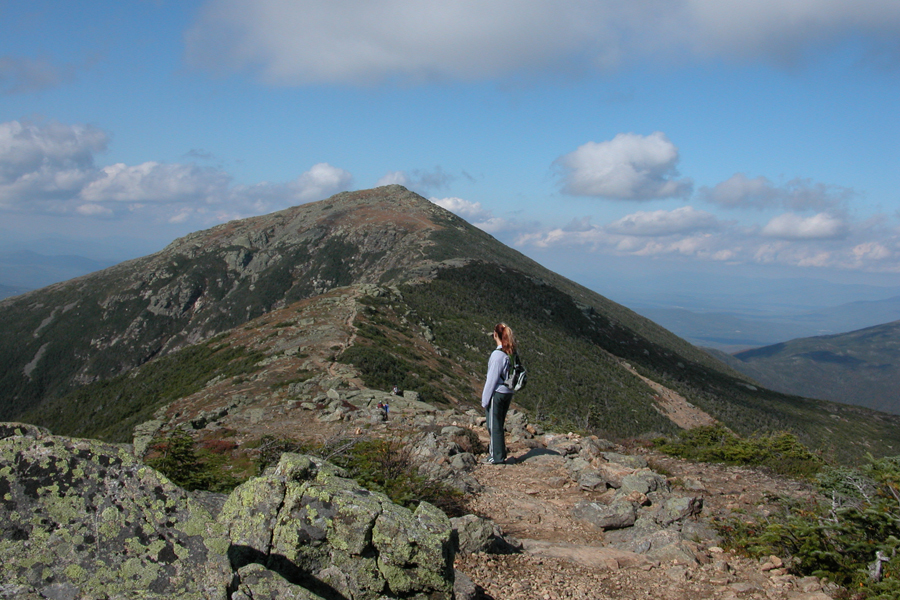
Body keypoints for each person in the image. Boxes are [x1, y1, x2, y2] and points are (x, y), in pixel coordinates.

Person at [482, 322, 516, 465]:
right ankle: (499, 453)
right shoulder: (510, 352)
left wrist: (485, 400)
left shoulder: (497, 355)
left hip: (497, 392)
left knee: (493, 426)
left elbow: (492, 379)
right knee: (499, 424)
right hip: (508, 392)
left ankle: (496, 457)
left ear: (495, 335)